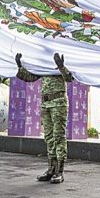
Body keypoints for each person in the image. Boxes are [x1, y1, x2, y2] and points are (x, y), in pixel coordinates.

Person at [16, 52, 72, 184]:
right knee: (49, 137)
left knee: (58, 136)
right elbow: (30, 77)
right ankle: (51, 168)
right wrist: (19, 66)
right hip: (45, 103)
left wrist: (61, 66)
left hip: (58, 102)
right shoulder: (43, 65)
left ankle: (59, 171)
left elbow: (69, 78)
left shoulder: (60, 61)